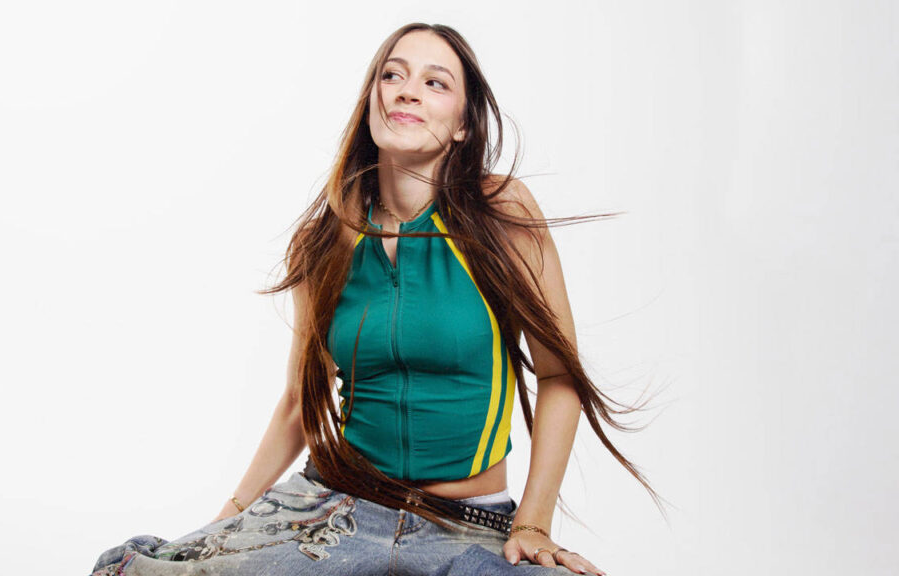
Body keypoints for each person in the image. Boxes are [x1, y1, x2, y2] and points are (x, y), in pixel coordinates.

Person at [90, 22, 666, 576]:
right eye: (393, 75)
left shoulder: (503, 214)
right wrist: (226, 520)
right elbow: (299, 401)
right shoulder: (324, 240)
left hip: (466, 526)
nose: (408, 90)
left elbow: (560, 377)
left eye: (435, 82)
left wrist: (534, 524)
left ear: (463, 125)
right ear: (372, 103)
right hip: (334, 513)